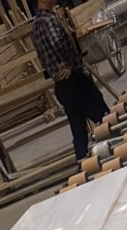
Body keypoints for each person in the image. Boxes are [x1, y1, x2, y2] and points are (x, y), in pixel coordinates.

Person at [32, 0, 108, 162]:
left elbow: (42, 55)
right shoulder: (49, 20)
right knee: (104, 117)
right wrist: (66, 64)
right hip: (73, 81)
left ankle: (83, 163)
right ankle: (118, 148)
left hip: (62, 86)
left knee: (79, 130)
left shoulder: (36, 25)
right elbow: (56, 42)